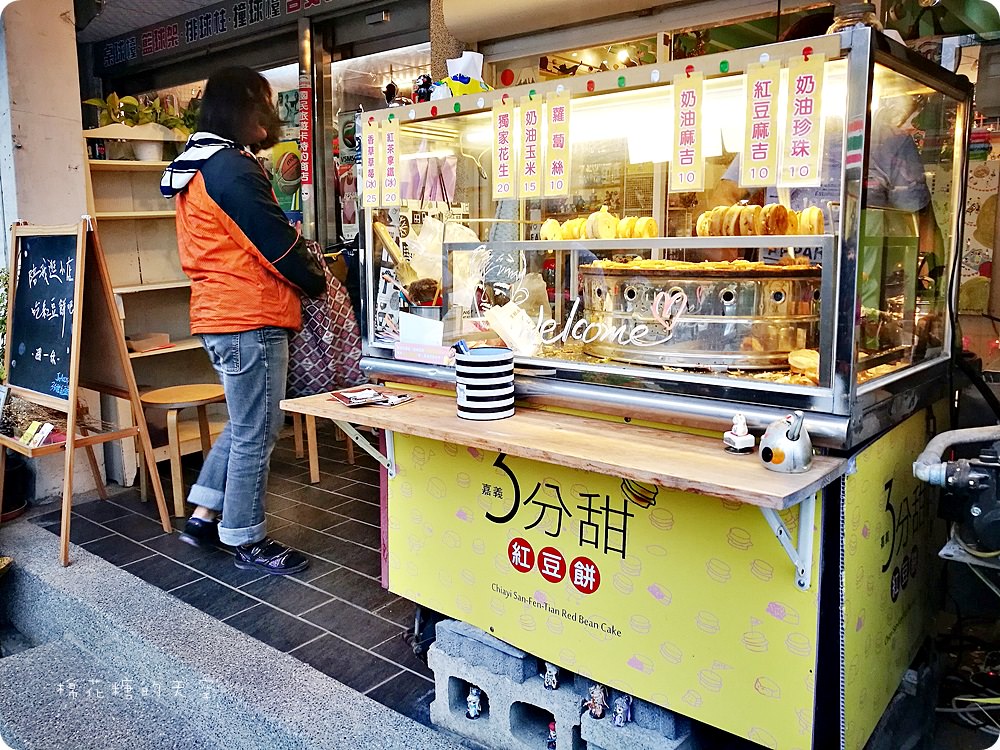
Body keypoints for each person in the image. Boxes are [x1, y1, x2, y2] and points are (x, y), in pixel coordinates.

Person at [160, 67, 325, 574]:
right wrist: (318, 280)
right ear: (243, 107)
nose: (270, 117)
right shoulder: (231, 167)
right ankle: (245, 538)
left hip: (221, 315)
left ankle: (204, 514)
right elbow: (275, 244)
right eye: (264, 104)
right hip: (249, 316)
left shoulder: (200, 164)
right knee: (259, 429)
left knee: (244, 422)